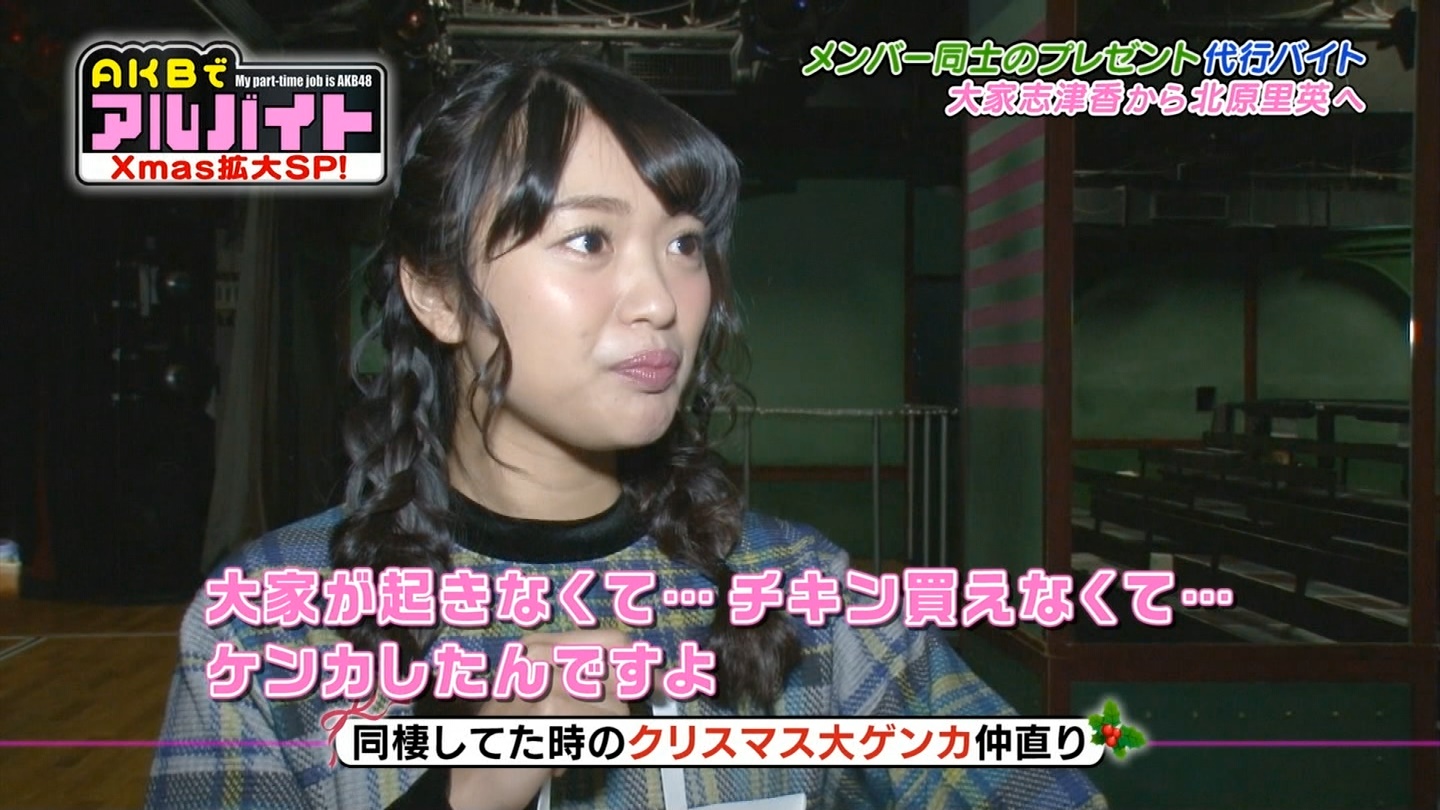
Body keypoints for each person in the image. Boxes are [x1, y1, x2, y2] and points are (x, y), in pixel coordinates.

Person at [146, 51, 1108, 810]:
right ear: (437, 292)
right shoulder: (268, 620)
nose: (661, 299)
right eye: (589, 240)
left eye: (684, 243)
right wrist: (466, 792)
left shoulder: (808, 598)